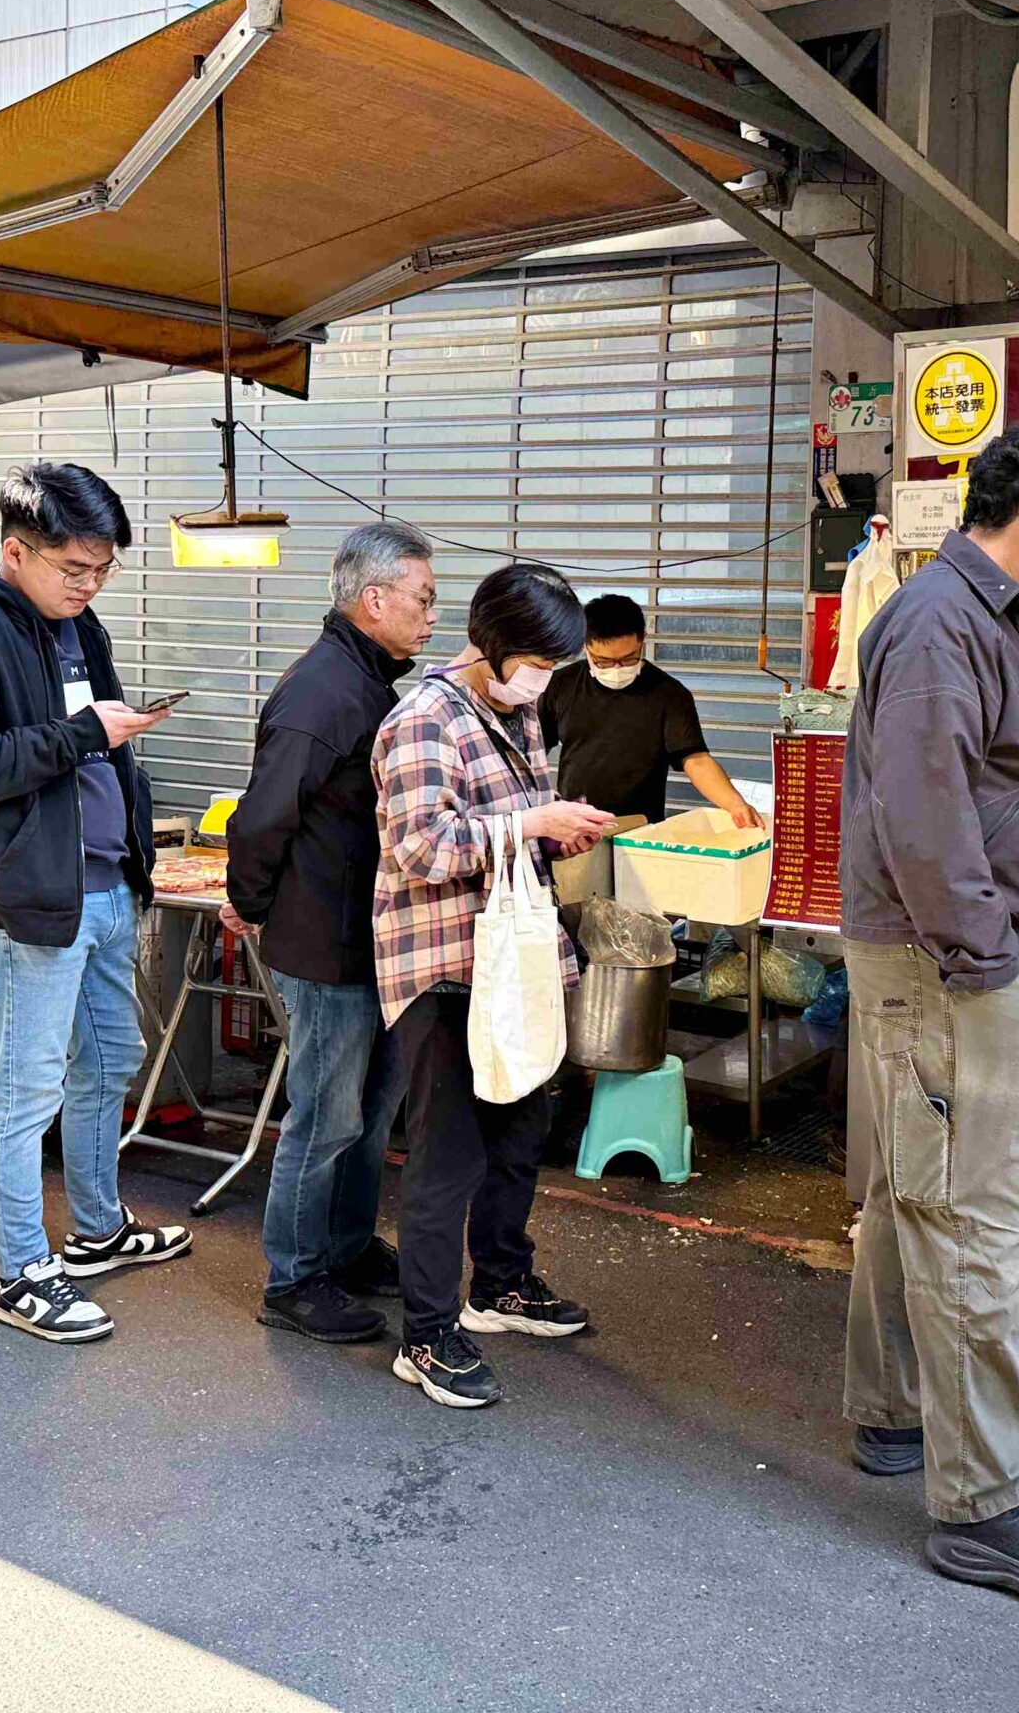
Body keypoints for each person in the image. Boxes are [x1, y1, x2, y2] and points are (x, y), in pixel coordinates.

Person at [837, 417, 1019, 1604]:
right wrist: (987, 961)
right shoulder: (943, 622)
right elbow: (925, 812)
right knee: (975, 1223)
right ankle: (984, 1504)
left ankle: (893, 1410)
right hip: (949, 967)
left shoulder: (976, 614)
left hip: (946, 960)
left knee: (920, 1195)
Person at [0, 461, 189, 1344]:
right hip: (19, 906)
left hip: (98, 886)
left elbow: (83, 737)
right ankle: (22, 1272)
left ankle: (98, 1229)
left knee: (108, 1060)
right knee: (24, 1090)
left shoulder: (76, 624)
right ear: (14, 550)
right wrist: (80, 736)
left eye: (102, 569)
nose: (89, 585)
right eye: (74, 569)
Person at [373, 563, 615, 1409]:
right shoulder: (425, 718)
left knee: (521, 1133)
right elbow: (420, 849)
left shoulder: (517, 712)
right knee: (448, 1156)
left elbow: (513, 830)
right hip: (443, 969)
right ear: (493, 646)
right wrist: (529, 824)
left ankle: (501, 1284)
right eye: (542, 664)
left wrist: (556, 834)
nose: (548, 682)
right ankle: (427, 1335)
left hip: (516, 966)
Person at [224, 522, 438, 1344]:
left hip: (373, 941)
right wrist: (250, 901)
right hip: (324, 945)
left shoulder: (369, 682)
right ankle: (294, 1277)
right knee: (325, 1117)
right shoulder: (324, 692)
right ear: (373, 599)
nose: (429, 615)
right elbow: (261, 818)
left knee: (370, 1110)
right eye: (421, 598)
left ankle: (346, 1247)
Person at [542, 594, 761, 830]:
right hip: (575, 827)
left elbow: (695, 759)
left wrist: (734, 803)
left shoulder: (669, 694)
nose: (617, 669)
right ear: (585, 646)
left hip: (641, 828)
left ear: (642, 641)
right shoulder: (559, 686)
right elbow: (529, 751)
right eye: (603, 661)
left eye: (628, 659)